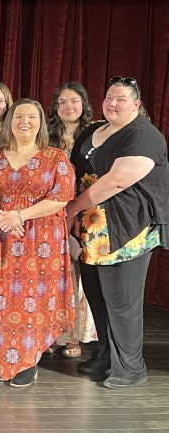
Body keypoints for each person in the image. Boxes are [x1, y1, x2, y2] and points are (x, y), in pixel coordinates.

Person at [66, 77, 169, 389]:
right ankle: (107, 356)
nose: (112, 103)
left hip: (127, 230)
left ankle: (130, 367)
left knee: (121, 300)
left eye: (121, 99)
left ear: (136, 104)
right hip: (91, 231)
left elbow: (116, 181)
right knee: (97, 297)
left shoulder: (143, 135)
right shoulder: (92, 130)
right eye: (109, 97)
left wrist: (70, 209)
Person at [0, 98, 76, 386]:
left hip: (39, 243)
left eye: (31, 117)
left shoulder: (56, 158)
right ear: (9, 121)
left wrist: (18, 215)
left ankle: (27, 361)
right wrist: (3, 216)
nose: (24, 122)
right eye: (18, 117)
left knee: (32, 299)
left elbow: (61, 198)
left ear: (41, 122)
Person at [46, 82, 98, 358]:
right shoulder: (47, 136)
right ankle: (52, 333)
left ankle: (73, 335)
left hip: (86, 209)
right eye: (63, 102)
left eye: (74, 102)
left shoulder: (95, 134)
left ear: (84, 105)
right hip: (52, 211)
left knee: (78, 274)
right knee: (54, 272)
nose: (68, 107)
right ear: (55, 107)